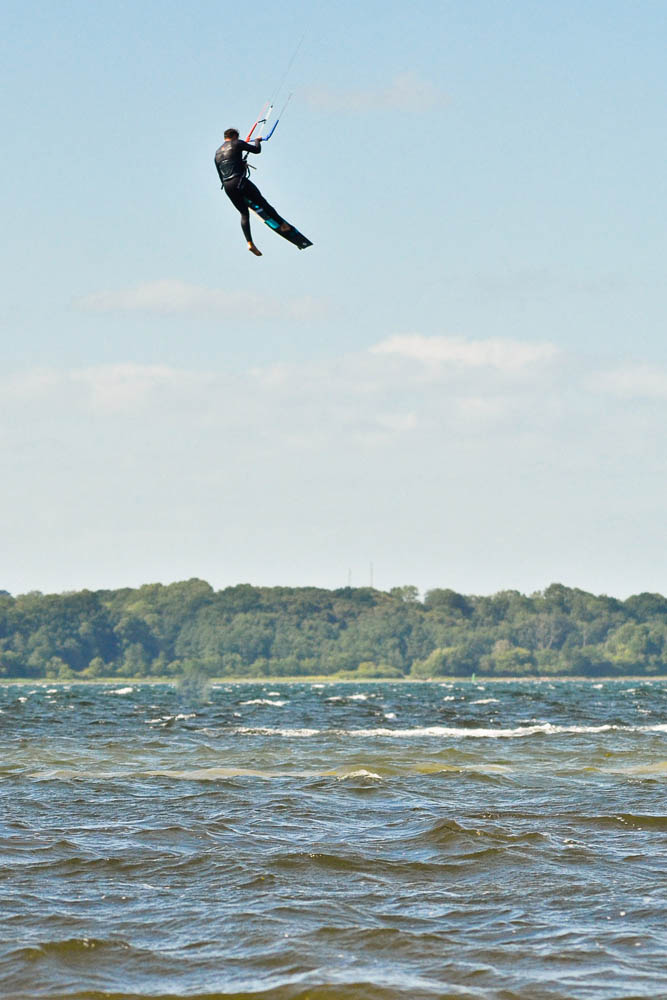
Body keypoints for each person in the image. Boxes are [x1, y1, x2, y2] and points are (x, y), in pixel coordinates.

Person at [214, 128, 291, 256]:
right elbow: (257, 150)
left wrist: (240, 164)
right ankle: (283, 225)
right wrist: (257, 141)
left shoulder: (216, 153)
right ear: (234, 136)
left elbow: (222, 173)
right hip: (239, 181)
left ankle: (250, 243)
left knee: (244, 213)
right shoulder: (237, 143)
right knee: (263, 203)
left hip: (227, 186)